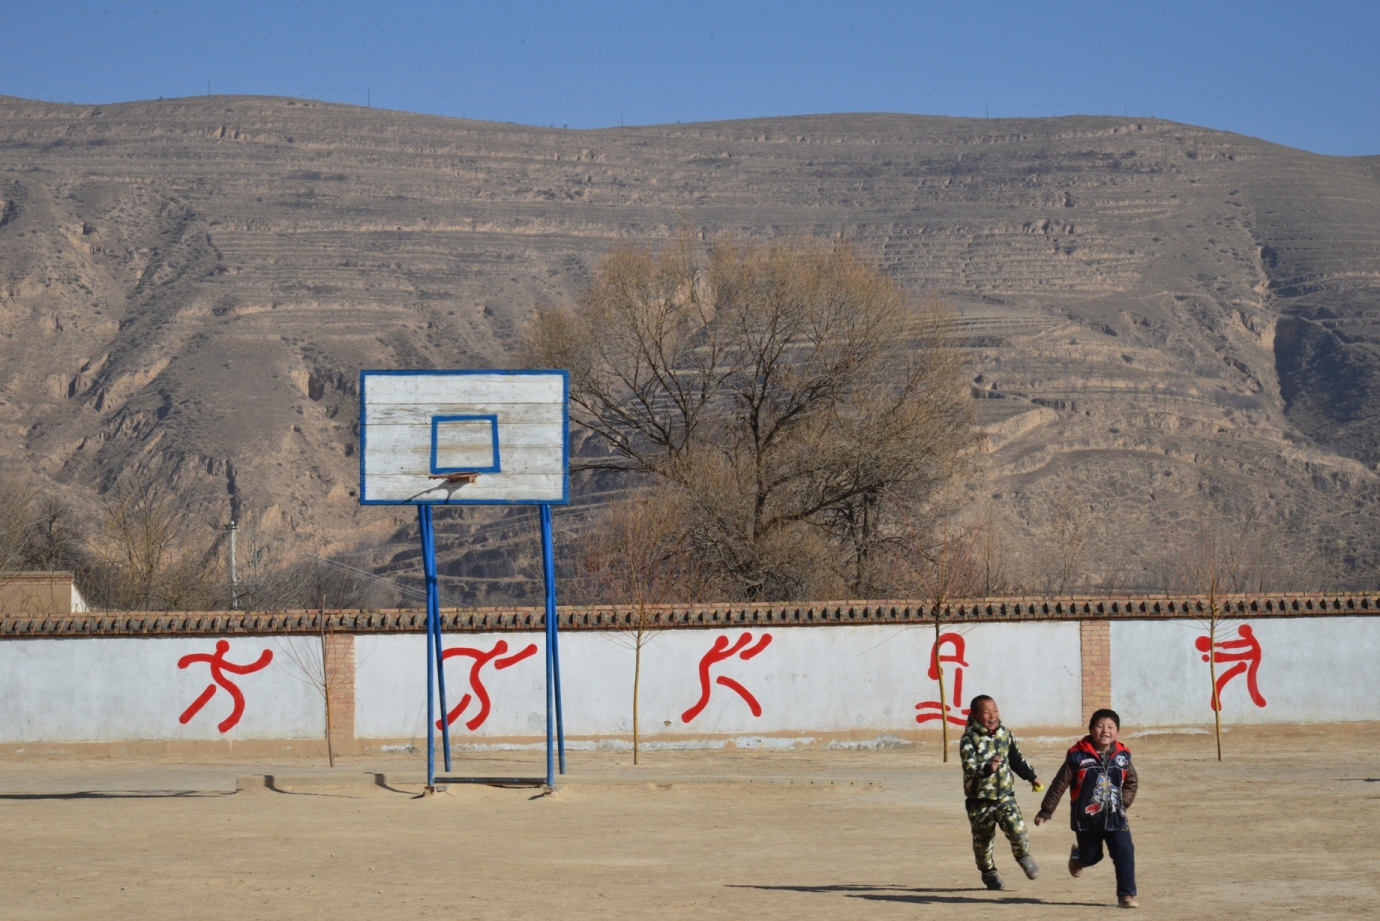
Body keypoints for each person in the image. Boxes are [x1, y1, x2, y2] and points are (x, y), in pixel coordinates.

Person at [1034, 708, 1139, 909]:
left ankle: (1126, 895)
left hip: (1116, 818)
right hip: (1087, 819)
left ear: (1117, 732)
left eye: (1110, 727)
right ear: (1091, 730)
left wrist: (1122, 803)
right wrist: (1046, 810)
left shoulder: (1123, 756)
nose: (1105, 730)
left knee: (1124, 852)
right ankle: (1078, 858)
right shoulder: (1077, 756)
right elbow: (1060, 783)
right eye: (1099, 726)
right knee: (1092, 856)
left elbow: (1131, 782)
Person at [959, 694, 1043, 891]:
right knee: (983, 844)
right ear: (975, 715)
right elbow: (969, 767)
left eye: (995, 710)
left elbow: (1017, 760)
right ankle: (988, 873)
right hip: (979, 801)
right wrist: (988, 768)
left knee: (1018, 830)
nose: (992, 715)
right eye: (986, 712)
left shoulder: (1005, 735)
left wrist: (1032, 777)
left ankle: (1023, 856)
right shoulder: (969, 739)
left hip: (1005, 798)